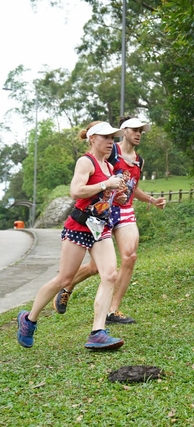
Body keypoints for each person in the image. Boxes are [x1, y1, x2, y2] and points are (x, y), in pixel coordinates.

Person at [17, 121, 126, 350]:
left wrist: (118, 197)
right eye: (105, 137)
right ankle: (29, 319)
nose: (110, 142)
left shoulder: (108, 166)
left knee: (110, 275)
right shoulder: (86, 162)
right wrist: (106, 183)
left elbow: (101, 197)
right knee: (64, 280)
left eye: (112, 138)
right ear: (92, 138)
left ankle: (98, 331)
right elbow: (76, 191)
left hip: (100, 227)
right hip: (79, 227)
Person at [52, 117, 167, 324]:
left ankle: (112, 310)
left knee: (130, 256)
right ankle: (67, 285)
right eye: (135, 130)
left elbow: (133, 187)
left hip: (124, 210)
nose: (139, 134)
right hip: (103, 210)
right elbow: (94, 175)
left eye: (142, 130)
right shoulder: (111, 150)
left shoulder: (139, 160)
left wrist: (152, 200)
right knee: (96, 267)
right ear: (124, 131)